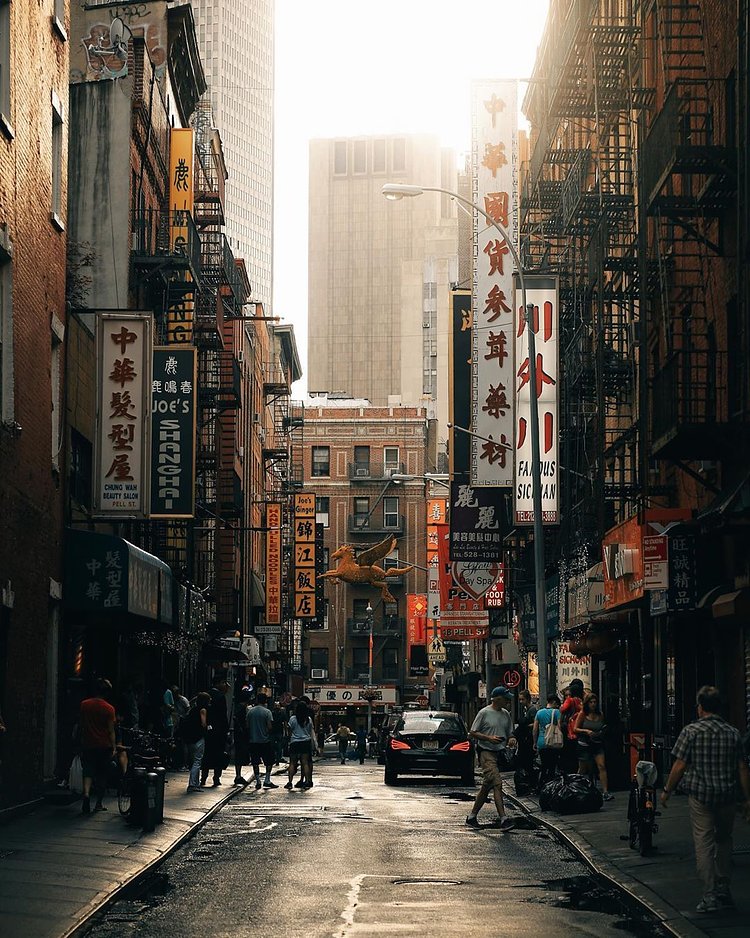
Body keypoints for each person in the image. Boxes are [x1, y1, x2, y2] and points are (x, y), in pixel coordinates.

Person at [660, 685, 750, 914]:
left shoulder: (691, 732)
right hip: (727, 795)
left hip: (700, 796)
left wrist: (667, 790)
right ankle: (723, 889)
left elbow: (680, 765)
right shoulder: (732, 733)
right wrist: (747, 797)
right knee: (724, 840)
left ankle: (709, 896)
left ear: (700, 708)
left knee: (704, 843)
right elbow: (742, 767)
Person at [465, 686, 517, 830]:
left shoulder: (506, 714)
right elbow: (473, 732)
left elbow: (510, 733)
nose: (508, 701)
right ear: (497, 699)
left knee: (486, 786)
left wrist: (511, 739)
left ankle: (472, 816)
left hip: (498, 753)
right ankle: (503, 818)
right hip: (486, 753)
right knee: (497, 783)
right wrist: (489, 738)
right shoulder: (484, 713)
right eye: (505, 699)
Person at [78, 678, 116, 815]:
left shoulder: (84, 705)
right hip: (103, 745)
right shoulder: (109, 709)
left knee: (87, 771)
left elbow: (81, 725)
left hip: (88, 743)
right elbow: (111, 730)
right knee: (102, 774)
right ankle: (98, 804)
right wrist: (114, 747)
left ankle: (86, 794)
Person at [572, 692, 613, 801]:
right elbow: (575, 728)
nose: (593, 704)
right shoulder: (583, 714)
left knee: (601, 766)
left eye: (595, 702)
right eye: (591, 702)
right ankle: (575, 789)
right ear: (587, 703)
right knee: (583, 768)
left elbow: (603, 726)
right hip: (585, 744)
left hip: (597, 743)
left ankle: (605, 791)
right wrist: (586, 731)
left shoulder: (600, 714)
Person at [201, 674, 230, 788]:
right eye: (223, 682)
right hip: (219, 731)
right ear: (218, 683)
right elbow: (223, 716)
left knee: (206, 754)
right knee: (218, 754)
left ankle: (204, 777)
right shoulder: (220, 696)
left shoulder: (206, 694)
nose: (225, 685)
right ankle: (216, 778)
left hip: (207, 730)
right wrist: (226, 730)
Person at [247, 692, 277, 789]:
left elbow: (247, 726)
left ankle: (258, 781)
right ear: (265, 701)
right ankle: (267, 780)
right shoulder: (267, 712)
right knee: (269, 761)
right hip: (265, 741)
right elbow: (269, 726)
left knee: (255, 762)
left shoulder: (250, 712)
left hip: (253, 740)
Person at [286, 700, 318, 790]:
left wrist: (290, 738)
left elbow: (289, 730)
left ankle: (289, 782)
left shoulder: (293, 719)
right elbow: (310, 731)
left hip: (295, 742)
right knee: (305, 763)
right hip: (305, 742)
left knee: (292, 763)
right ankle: (307, 781)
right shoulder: (308, 719)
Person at [182, 692, 210, 793]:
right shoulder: (203, 710)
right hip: (198, 737)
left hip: (190, 738)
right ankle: (193, 784)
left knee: (194, 761)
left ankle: (196, 783)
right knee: (197, 761)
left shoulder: (192, 710)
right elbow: (203, 723)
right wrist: (208, 726)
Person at [533, 694, 562, 787]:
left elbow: (535, 729)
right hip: (553, 742)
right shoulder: (557, 712)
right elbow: (560, 726)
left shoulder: (539, 713)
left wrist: (535, 742)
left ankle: (541, 785)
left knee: (544, 766)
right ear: (553, 702)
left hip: (541, 742)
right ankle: (551, 786)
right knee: (552, 766)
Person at [560, 679, 584, 773]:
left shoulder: (570, 700)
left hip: (570, 729)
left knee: (568, 752)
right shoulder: (581, 701)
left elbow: (562, 709)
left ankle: (569, 772)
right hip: (580, 727)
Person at [516, 689, 538, 775]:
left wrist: (527, 726)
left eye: (522, 699)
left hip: (529, 739)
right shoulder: (526, 709)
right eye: (520, 700)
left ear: (528, 699)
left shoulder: (532, 710)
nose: (521, 701)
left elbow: (535, 723)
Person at [233, 689, 251, 785]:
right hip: (242, 734)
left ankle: (238, 775)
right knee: (240, 754)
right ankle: (238, 775)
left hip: (240, 733)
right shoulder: (242, 708)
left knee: (239, 754)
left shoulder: (239, 707)